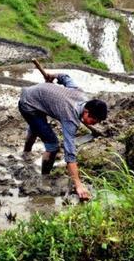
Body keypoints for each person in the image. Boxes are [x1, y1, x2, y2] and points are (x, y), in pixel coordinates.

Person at [18, 72, 108, 200]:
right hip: (28, 104)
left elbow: (65, 77)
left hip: (35, 94)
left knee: (37, 127)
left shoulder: (80, 93)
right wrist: (78, 185)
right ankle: (45, 178)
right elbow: (70, 154)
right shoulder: (70, 118)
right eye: (94, 121)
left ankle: (25, 154)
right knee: (53, 146)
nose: (95, 124)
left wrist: (52, 75)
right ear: (86, 112)